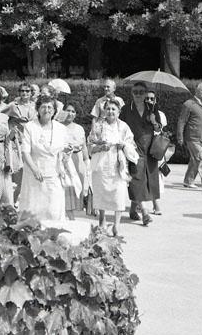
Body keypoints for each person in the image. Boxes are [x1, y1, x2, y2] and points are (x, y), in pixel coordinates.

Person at [18, 95, 74, 223]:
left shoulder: (61, 129)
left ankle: (54, 233)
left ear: (54, 111)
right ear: (38, 109)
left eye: (50, 107)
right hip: (34, 174)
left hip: (54, 174)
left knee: (53, 209)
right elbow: (25, 151)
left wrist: (67, 151)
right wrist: (34, 169)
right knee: (33, 210)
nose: (46, 110)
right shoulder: (30, 127)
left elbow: (64, 150)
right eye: (43, 107)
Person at [88, 99, 138, 235]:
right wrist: (100, 147)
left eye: (113, 109)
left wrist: (124, 145)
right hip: (101, 164)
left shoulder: (124, 127)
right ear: (104, 111)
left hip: (117, 164)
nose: (110, 111)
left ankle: (117, 225)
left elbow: (131, 144)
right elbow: (90, 145)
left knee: (119, 193)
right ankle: (102, 220)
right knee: (101, 192)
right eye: (108, 109)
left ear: (119, 112)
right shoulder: (98, 126)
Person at [120, 82, 160, 224]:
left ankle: (132, 209)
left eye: (141, 92)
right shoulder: (126, 109)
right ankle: (144, 212)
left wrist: (154, 122)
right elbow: (120, 127)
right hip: (133, 147)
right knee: (137, 177)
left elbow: (159, 129)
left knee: (147, 179)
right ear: (131, 93)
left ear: (145, 93)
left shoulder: (152, 108)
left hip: (149, 149)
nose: (138, 94)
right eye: (135, 92)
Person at [176, 82, 202, 191]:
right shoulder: (188, 104)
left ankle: (188, 181)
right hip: (192, 138)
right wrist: (180, 137)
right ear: (196, 91)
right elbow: (181, 121)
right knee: (200, 159)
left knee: (195, 159)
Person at [2, 82, 37, 203]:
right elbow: (0, 116)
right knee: (17, 173)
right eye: (22, 91)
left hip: (32, 142)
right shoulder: (13, 105)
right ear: (19, 92)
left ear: (31, 93)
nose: (25, 93)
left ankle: (20, 200)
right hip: (16, 143)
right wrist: (10, 129)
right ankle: (12, 201)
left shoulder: (35, 106)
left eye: (27, 91)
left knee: (30, 174)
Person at [62, 102, 89, 218]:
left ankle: (74, 212)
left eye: (73, 111)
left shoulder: (79, 128)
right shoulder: (58, 126)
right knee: (66, 185)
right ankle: (65, 211)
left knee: (77, 184)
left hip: (77, 158)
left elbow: (84, 146)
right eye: (68, 110)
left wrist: (87, 161)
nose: (70, 113)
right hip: (64, 159)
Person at [145, 89, 169, 214]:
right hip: (142, 147)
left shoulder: (160, 114)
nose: (149, 100)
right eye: (147, 98)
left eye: (152, 98)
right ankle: (138, 203)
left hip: (155, 148)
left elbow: (160, 130)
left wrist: (154, 120)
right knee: (141, 176)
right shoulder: (139, 112)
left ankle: (155, 204)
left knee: (155, 176)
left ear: (155, 100)